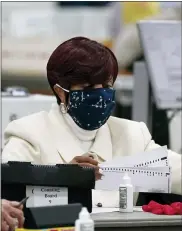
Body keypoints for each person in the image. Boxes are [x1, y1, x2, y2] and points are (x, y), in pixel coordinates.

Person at [2, 37, 181, 208]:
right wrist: (60, 178)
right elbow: (10, 202)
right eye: (87, 88)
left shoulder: (132, 135)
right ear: (61, 92)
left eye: (106, 86)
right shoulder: (28, 135)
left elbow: (177, 174)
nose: (100, 95)